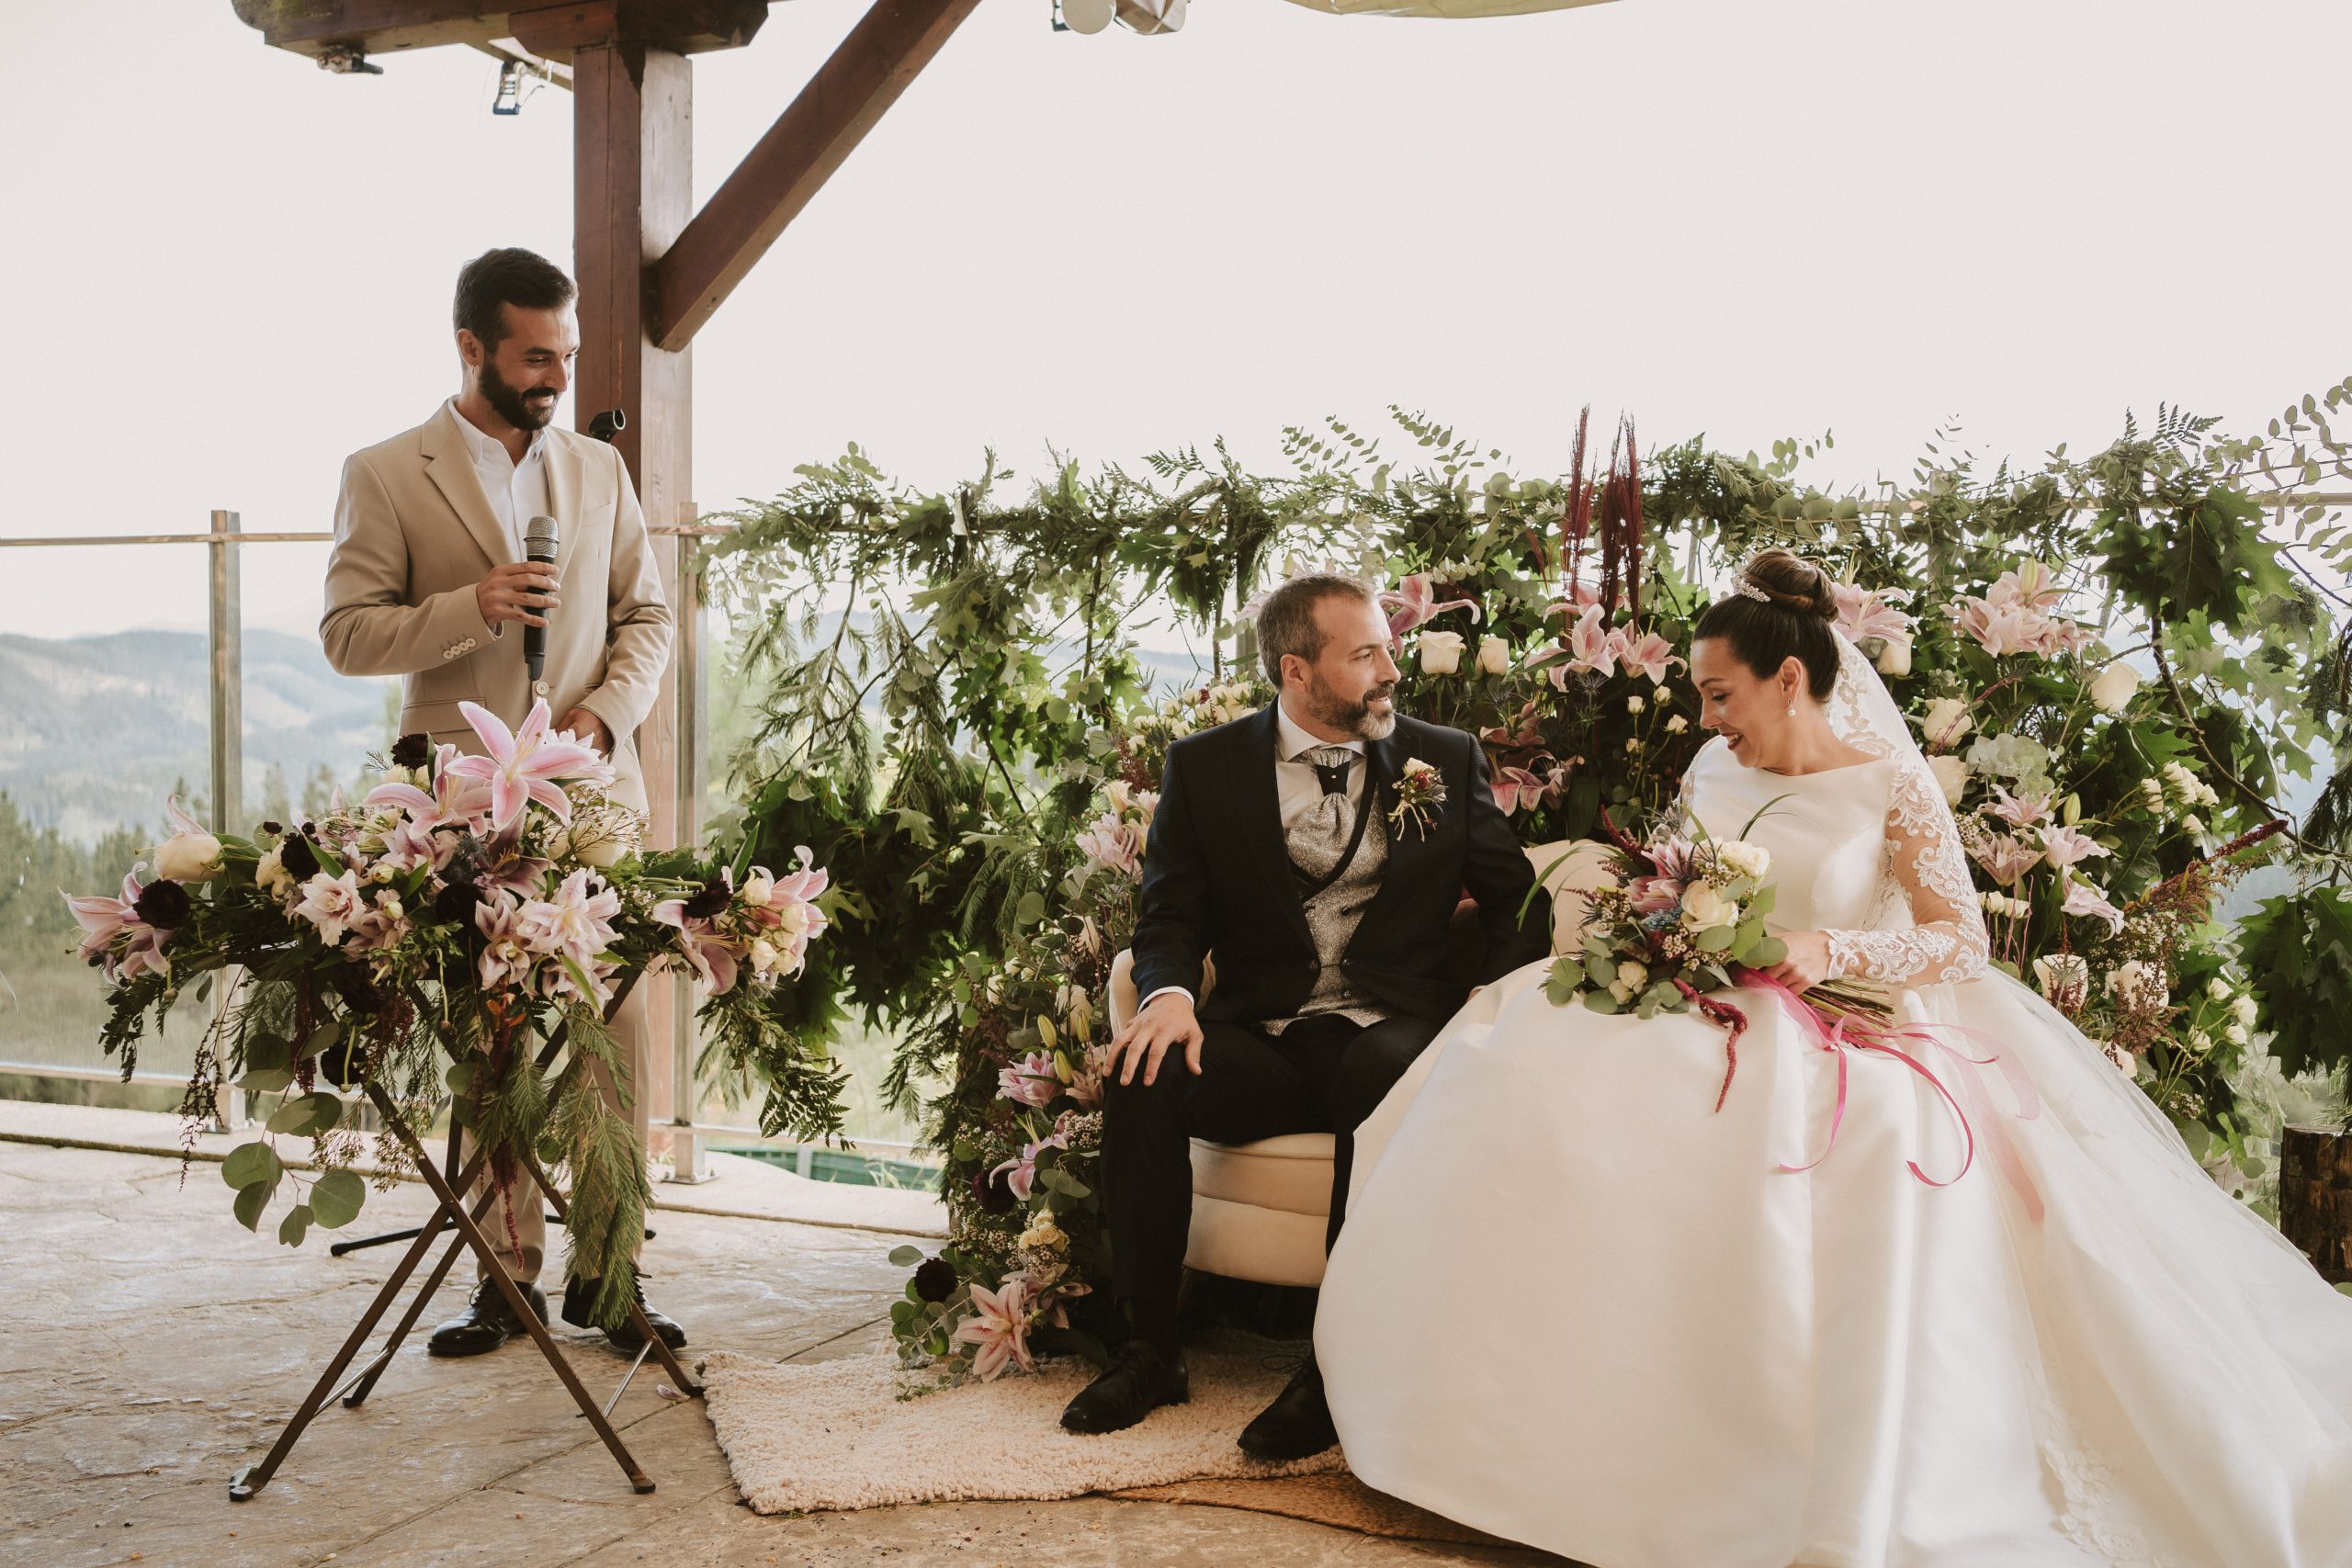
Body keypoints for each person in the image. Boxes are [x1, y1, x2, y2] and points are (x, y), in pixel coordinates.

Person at [1315, 548, 2352, 1566]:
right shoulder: (1711, 767)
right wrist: (1655, 927)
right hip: (1701, 996)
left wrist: (1831, 950)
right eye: (1700, 697)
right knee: (1523, 1060)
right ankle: (1494, 1412)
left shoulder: (1889, 785)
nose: (1707, 718)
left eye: (1720, 693)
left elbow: (1960, 941)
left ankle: (1745, 1459)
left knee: (1845, 1131)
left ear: (1788, 678)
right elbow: (1668, 875)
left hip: (1848, 1019)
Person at [1060, 574, 1548, 1458]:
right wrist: (1168, 998)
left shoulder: (1443, 757)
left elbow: (1520, 903)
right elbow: (1169, 917)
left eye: (1387, 649)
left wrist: (1492, 999)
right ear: (1296, 670)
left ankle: (1332, 1365)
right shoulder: (1205, 766)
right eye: (1364, 655)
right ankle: (1150, 1348)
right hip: (1268, 1038)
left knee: (1378, 1072)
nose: (1389, 670)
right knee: (1143, 1068)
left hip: (1390, 1028)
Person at [320, 247, 682, 1358]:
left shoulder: (598, 469)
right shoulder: (386, 472)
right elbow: (347, 635)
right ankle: (503, 1277)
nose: (556, 377)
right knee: (492, 1045)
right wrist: (468, 607)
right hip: (460, 811)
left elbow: (648, 618)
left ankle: (611, 1276)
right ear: (470, 346)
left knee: (618, 1033)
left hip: (591, 801)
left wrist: (601, 720)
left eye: (565, 356)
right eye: (535, 357)